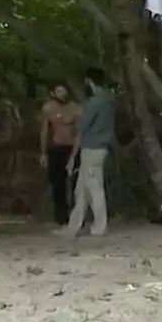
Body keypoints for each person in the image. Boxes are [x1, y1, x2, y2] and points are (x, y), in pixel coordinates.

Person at [58, 68, 116, 238]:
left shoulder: (94, 103)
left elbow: (81, 125)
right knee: (81, 189)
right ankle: (73, 226)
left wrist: (74, 118)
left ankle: (99, 226)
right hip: (100, 147)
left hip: (92, 148)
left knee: (94, 187)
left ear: (90, 81)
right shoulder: (110, 101)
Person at [38, 83, 81, 226]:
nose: (62, 93)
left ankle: (77, 215)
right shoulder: (48, 108)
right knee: (58, 185)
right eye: (59, 91)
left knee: (76, 183)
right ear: (53, 93)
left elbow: (79, 131)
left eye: (64, 91)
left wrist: (75, 152)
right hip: (56, 148)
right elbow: (44, 131)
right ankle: (61, 218)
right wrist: (43, 153)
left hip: (72, 147)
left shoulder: (75, 108)